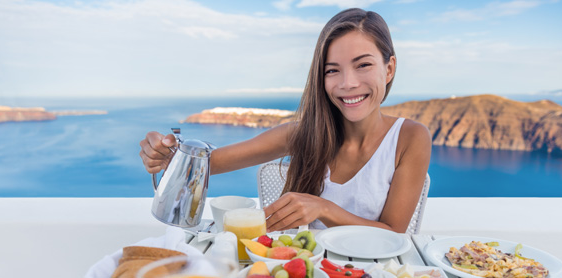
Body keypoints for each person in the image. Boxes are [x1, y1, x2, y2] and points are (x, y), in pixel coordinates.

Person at [139, 8, 431, 233]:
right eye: (332, 70)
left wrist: (323, 209)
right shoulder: (302, 134)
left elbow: (393, 234)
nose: (348, 83)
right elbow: (207, 164)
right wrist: (166, 153)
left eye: (363, 65)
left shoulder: (411, 138)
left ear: (389, 68)